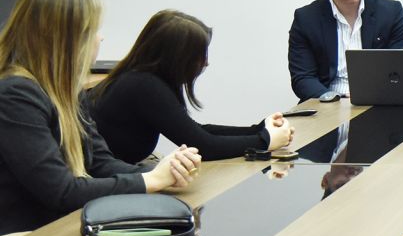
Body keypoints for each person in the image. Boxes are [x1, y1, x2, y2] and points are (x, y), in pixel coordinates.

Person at [0, 0, 200, 236]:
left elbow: (100, 163)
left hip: (60, 228)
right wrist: (150, 180)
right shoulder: (16, 95)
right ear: (66, 40)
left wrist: (167, 171)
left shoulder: (66, 91)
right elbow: (62, 191)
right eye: (93, 30)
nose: (100, 37)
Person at [90, 10, 293, 163]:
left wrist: (258, 130)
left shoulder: (144, 78)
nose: (206, 63)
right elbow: (203, 146)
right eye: (199, 55)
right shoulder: (144, 86)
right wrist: (265, 140)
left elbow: (195, 131)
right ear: (177, 57)